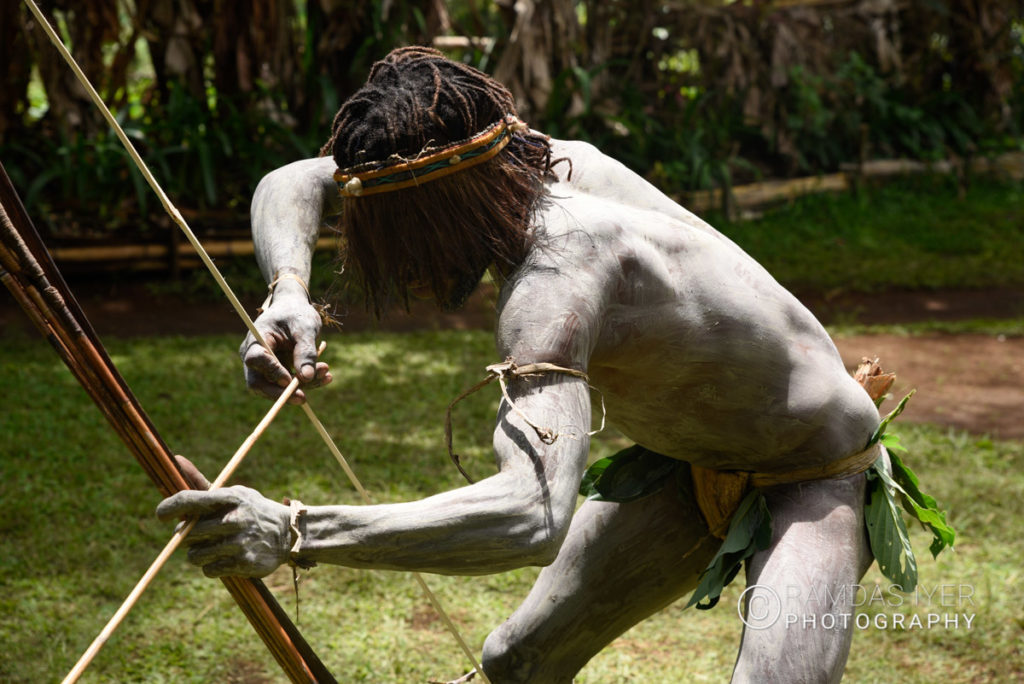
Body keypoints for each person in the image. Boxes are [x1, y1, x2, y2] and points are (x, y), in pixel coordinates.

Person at [158, 47, 885, 683]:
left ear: (439, 209)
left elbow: (529, 516)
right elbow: (294, 179)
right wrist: (288, 293)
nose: (392, 262)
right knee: (517, 662)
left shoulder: (557, 274)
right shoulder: (526, 163)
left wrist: (292, 531)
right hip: (685, 463)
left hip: (812, 472)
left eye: (395, 233)